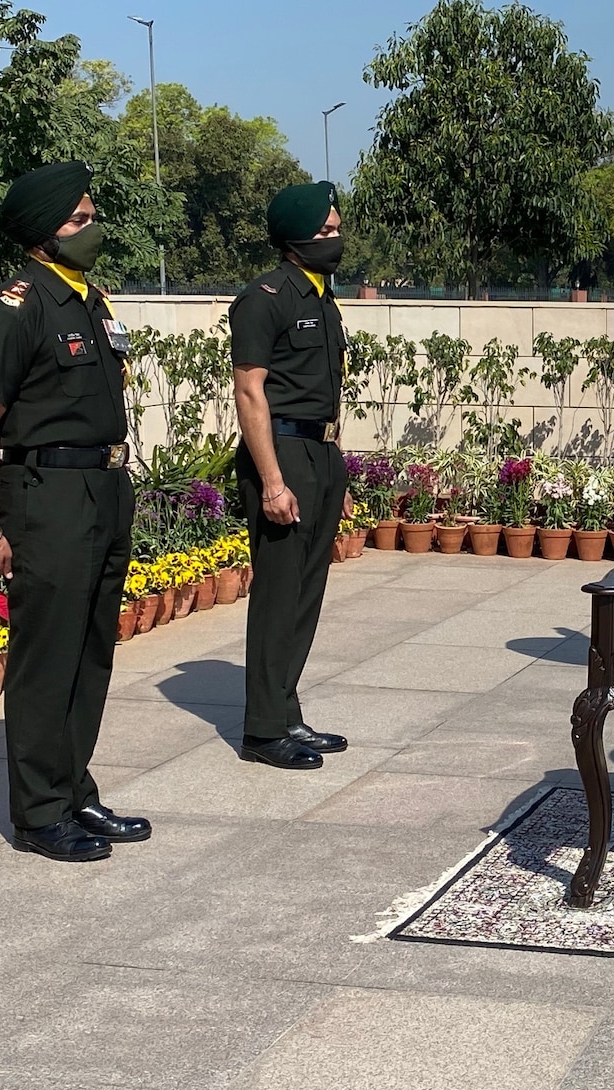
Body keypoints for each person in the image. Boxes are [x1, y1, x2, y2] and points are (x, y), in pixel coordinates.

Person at [0, 161, 149, 861]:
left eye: (90, 215)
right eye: (78, 220)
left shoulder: (90, 300)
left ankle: (73, 786)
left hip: (103, 489)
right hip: (47, 496)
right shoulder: (13, 307)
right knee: (47, 656)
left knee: (92, 648)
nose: (91, 228)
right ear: (43, 234)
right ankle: (40, 813)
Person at [229, 181, 352, 770]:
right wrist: (272, 482)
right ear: (295, 238)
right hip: (282, 453)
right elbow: (250, 393)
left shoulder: (321, 297)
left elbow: (324, 391)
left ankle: (286, 711)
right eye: (325, 231)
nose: (336, 238)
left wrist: (338, 473)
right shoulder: (264, 298)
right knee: (279, 595)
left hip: (320, 453)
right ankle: (262, 729)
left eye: (335, 229)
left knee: (306, 593)